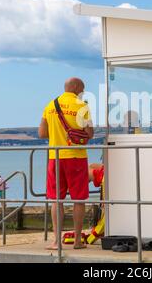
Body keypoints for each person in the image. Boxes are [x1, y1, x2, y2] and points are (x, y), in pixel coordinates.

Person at [39, 77, 94, 250]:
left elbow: (41, 133)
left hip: (55, 157)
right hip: (76, 157)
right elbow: (90, 133)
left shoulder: (50, 105)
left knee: (56, 199)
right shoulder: (82, 106)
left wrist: (57, 134)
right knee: (78, 199)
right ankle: (77, 241)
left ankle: (56, 241)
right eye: (82, 89)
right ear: (76, 87)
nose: (82, 92)